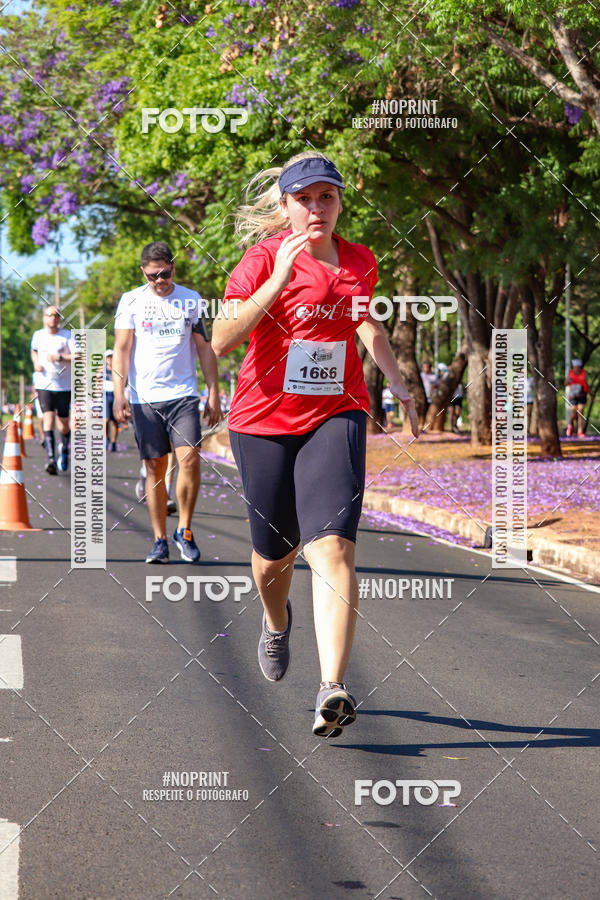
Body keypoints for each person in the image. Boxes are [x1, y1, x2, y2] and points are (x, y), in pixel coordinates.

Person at [212, 151, 419, 738]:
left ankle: (332, 687)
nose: (316, 208)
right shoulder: (258, 260)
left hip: (337, 411)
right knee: (274, 554)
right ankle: (276, 621)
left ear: (339, 202)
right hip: (263, 420)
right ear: (285, 207)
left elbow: (365, 322)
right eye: (304, 198)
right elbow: (223, 338)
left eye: (326, 196)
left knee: (332, 548)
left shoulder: (359, 261)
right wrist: (278, 277)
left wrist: (396, 379)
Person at [113, 241, 221, 563]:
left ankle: (184, 531)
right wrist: (119, 394)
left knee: (189, 459)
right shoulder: (130, 301)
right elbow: (122, 349)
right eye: (152, 276)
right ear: (142, 272)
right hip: (145, 398)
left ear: (173, 267)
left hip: (183, 395)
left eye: (164, 273)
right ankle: (159, 539)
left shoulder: (191, 300)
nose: (159, 281)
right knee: (155, 468)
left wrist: (212, 391)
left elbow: (204, 347)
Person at [30, 305, 73, 475]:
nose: (53, 318)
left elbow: (78, 356)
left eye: (56, 315)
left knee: (63, 424)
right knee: (47, 418)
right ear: (44, 317)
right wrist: (36, 363)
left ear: (60, 318)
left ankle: (64, 448)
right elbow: (34, 351)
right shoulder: (38, 335)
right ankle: (51, 459)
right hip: (44, 384)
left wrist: (59, 357)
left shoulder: (67, 336)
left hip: (64, 385)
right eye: (50, 315)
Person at [565, 358, 589, 437]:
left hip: (582, 394)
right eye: (576, 366)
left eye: (578, 366)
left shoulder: (583, 373)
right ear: (573, 366)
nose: (577, 368)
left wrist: (589, 393)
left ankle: (580, 431)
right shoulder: (570, 373)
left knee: (581, 412)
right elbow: (565, 383)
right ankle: (570, 425)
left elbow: (586, 383)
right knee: (573, 413)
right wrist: (569, 381)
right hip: (573, 396)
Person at [104, 349, 118, 452]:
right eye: (108, 357)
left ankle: (113, 442)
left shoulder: (117, 369)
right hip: (105, 395)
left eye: (111, 357)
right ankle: (106, 438)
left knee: (115, 422)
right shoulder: (102, 369)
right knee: (106, 420)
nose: (110, 359)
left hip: (115, 395)